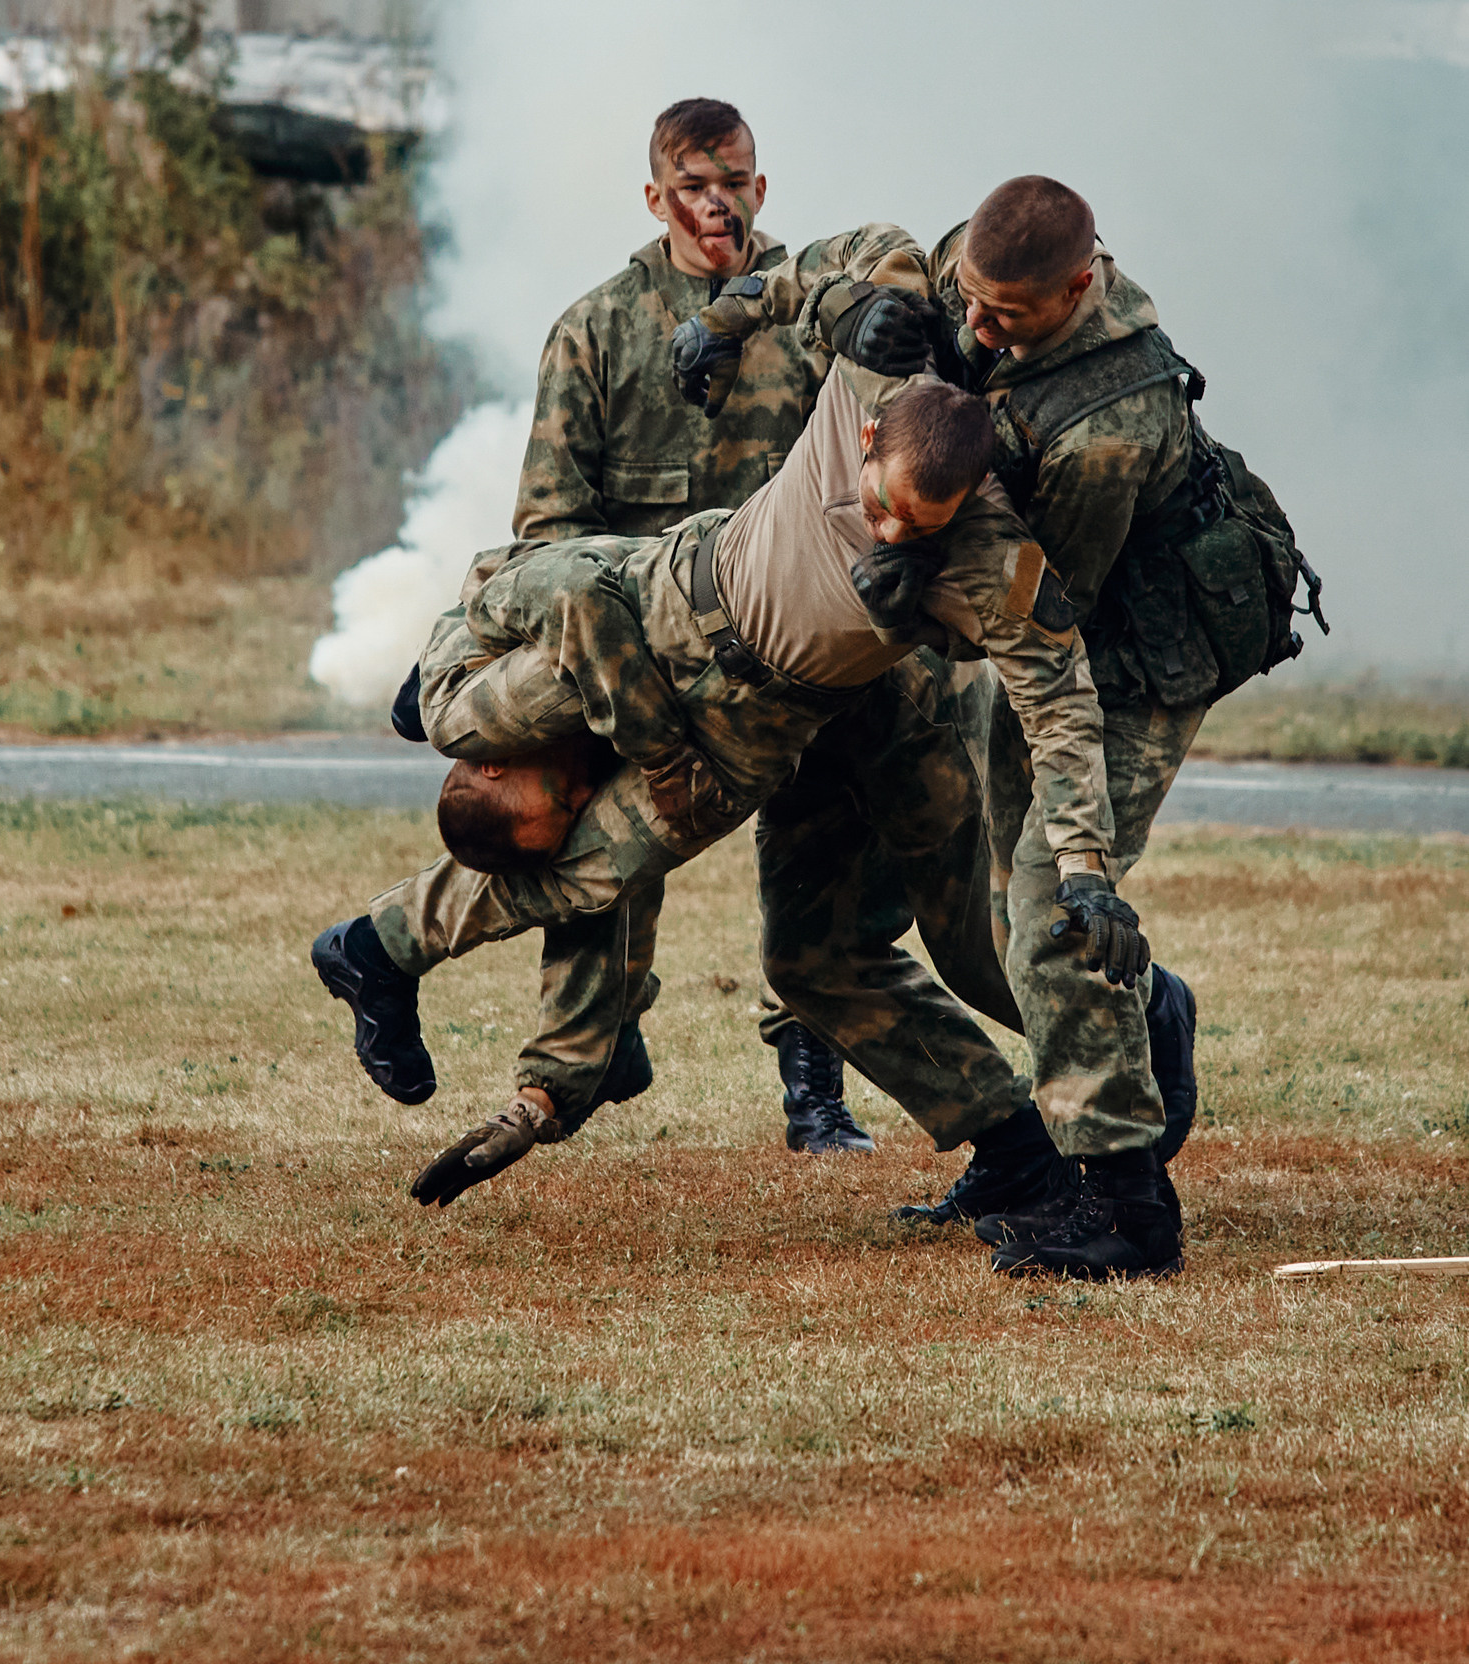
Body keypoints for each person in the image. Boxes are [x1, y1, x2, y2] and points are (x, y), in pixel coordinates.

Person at [318, 358, 1121, 1271]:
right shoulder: (855, 381)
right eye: (884, 503)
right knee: (621, 867)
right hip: (682, 646)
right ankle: (380, 938)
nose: (889, 529)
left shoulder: (986, 555)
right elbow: (560, 573)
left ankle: (1125, 1040)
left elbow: (1060, 701)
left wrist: (1086, 865)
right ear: (867, 441)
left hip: (839, 724)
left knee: (976, 946)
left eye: (917, 522)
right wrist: (558, 1083)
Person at [686, 178, 1269, 1277]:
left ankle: (1125, 1207)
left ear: (1081, 284)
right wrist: (761, 318)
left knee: (1053, 910)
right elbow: (855, 258)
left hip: (1129, 652)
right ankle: (1092, 1075)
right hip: (1033, 626)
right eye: (971, 303)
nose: (979, 328)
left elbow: (1042, 626)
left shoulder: (1108, 424)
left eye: (1006, 318)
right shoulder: (972, 274)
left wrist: (1090, 866)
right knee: (1001, 920)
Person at [507, 97, 940, 1153]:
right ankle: (601, 1040)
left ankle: (813, 1080)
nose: (719, 205)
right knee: (589, 827)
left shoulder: (812, 317)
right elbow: (550, 530)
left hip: (804, 646)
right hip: (655, 655)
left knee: (832, 856)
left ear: (761, 186)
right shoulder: (597, 332)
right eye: (693, 188)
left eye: (735, 182)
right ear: (655, 199)